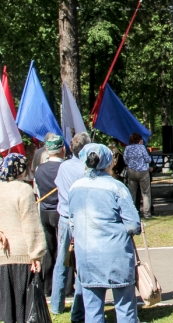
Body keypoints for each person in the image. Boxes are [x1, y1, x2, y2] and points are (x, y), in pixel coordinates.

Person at [68, 143, 141, 323]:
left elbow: (72, 223)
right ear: (110, 162)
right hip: (116, 256)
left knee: (92, 311)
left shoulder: (74, 187)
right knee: (125, 309)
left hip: (87, 256)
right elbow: (133, 225)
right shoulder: (117, 188)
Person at [0, 154, 47, 323]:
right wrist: (36, 254)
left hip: (3, 257)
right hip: (22, 255)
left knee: (8, 308)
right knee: (24, 310)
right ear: (21, 170)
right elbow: (31, 225)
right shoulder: (24, 190)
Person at [50, 131, 91, 320]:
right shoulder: (85, 168)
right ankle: (79, 307)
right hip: (79, 218)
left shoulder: (64, 166)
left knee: (62, 261)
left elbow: (58, 186)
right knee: (81, 263)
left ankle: (57, 304)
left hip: (65, 217)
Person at [34, 132, 65, 295]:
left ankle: (47, 286)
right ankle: (65, 287)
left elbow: (37, 191)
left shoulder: (39, 168)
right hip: (60, 211)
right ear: (62, 149)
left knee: (49, 249)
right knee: (64, 250)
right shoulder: (64, 168)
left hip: (45, 212)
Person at [124, 132, 153, 219]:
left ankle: (132, 213)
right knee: (145, 193)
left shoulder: (127, 148)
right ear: (139, 140)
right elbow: (148, 159)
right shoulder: (142, 147)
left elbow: (125, 160)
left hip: (131, 171)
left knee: (132, 193)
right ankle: (147, 214)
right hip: (143, 172)